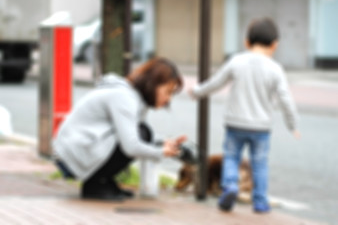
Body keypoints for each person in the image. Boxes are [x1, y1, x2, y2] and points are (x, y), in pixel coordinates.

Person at [189, 18, 300, 213]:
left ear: (246, 42)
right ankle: (260, 202)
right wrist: (293, 125)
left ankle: (230, 186)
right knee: (260, 164)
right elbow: (286, 100)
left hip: (235, 124)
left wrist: (197, 91)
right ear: (275, 45)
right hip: (261, 128)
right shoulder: (275, 69)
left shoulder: (237, 61)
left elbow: (216, 83)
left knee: (231, 157)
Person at [52, 58, 187, 201]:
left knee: (143, 132)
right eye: (167, 91)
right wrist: (160, 152)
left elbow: (131, 134)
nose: (169, 99)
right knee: (142, 133)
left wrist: (164, 143)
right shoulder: (124, 98)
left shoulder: (132, 97)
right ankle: (95, 185)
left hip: (79, 149)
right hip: (73, 155)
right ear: (153, 84)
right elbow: (131, 146)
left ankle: (104, 181)